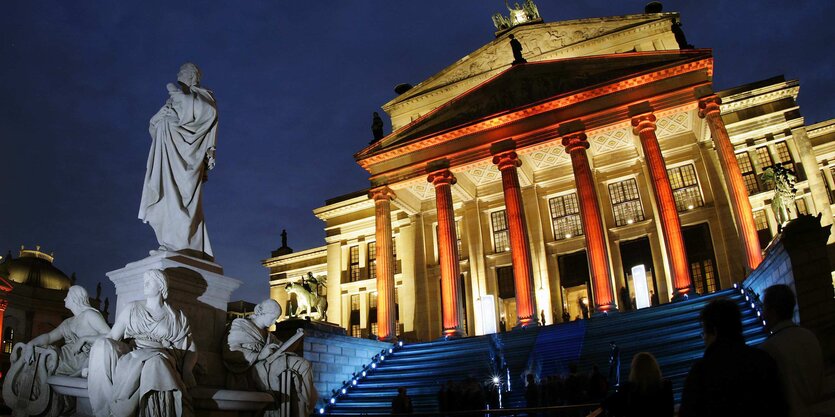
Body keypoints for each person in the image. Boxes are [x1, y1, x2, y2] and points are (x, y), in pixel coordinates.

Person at [88, 269, 197, 417]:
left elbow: (190, 348)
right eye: (144, 281)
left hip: (161, 355)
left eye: (149, 281)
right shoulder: (132, 308)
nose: (144, 284)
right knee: (103, 344)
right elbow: (113, 336)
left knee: (155, 363)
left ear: (161, 286)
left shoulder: (175, 316)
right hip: (133, 353)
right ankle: (108, 409)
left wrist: (187, 371)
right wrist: (94, 356)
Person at [139, 62, 218, 259]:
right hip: (168, 152)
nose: (178, 74)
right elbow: (153, 126)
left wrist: (183, 98)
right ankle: (170, 241)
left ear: (193, 76)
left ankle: (184, 244)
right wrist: (161, 118)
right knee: (167, 196)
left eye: (183, 71)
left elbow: (209, 113)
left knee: (184, 198)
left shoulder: (202, 95)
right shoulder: (171, 100)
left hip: (189, 155)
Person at [678, 299, 788, 417]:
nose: (704, 339)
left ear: (714, 331)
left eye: (704, 333)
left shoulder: (701, 372)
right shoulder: (763, 360)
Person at [223, 299, 317, 416]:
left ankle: (304, 406)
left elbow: (284, 349)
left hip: (270, 365)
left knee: (303, 365)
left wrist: (297, 338)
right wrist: (260, 355)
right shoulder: (240, 324)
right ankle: (302, 407)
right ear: (262, 313)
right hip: (251, 370)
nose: (275, 321)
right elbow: (231, 352)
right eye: (273, 317)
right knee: (302, 364)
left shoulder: (268, 335)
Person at [761, 285, 823, 417]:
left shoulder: (769, 348)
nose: (762, 314)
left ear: (772, 311)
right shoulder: (809, 336)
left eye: (764, 308)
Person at [23, 285, 110, 376]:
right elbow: (49, 337)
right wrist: (30, 344)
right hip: (67, 357)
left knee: (43, 359)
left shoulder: (89, 314)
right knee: (39, 353)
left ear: (75, 298)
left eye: (67, 296)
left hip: (86, 360)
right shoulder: (67, 322)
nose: (64, 299)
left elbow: (111, 336)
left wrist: (84, 339)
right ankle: (35, 388)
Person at [599, 352, 673, 417]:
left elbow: (606, 404)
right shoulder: (665, 387)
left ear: (634, 369)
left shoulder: (628, 388)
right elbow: (669, 412)